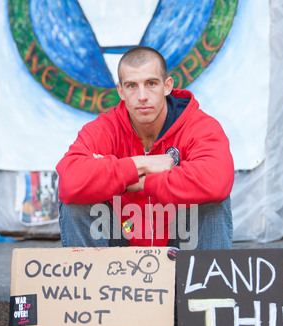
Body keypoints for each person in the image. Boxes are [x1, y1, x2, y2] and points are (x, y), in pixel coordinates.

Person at [56, 46, 234, 250]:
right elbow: (70, 181)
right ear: (121, 91)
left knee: (212, 199)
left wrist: (144, 182)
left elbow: (216, 182)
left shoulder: (198, 126)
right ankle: (92, 281)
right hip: (119, 250)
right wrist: (139, 164)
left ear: (167, 86)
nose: (142, 96)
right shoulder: (106, 128)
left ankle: (205, 281)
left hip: (180, 245)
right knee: (76, 197)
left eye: (151, 84)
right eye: (132, 86)